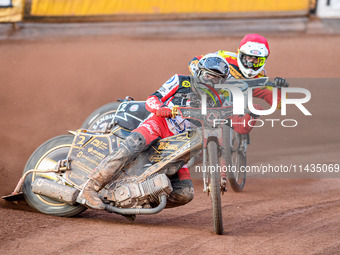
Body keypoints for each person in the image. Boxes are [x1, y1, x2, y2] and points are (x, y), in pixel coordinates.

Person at [79, 54, 256, 210]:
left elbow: (238, 127)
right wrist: (161, 109)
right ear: (199, 73)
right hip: (160, 125)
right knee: (134, 144)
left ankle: (135, 199)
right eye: (208, 76)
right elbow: (152, 99)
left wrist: (252, 114)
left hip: (182, 146)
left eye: (217, 79)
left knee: (185, 194)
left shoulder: (220, 100)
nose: (211, 81)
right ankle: (90, 188)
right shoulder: (180, 80)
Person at [188, 33, 289, 113]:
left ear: (264, 61)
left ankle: (240, 135)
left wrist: (280, 89)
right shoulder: (225, 58)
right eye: (248, 58)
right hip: (206, 96)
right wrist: (201, 78)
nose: (251, 64)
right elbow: (195, 61)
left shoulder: (260, 80)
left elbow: (279, 104)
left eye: (257, 61)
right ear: (239, 54)